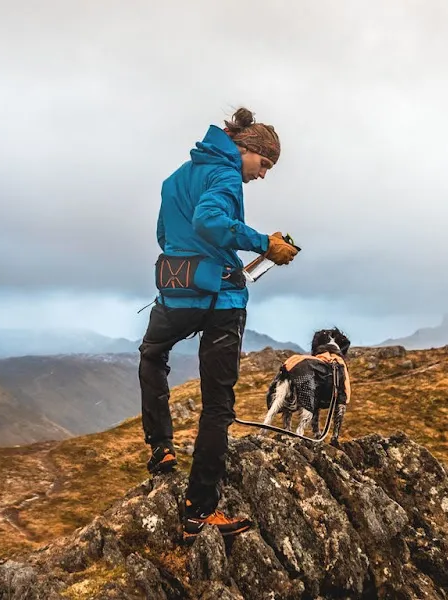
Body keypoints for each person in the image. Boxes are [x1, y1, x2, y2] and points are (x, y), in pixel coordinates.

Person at [138, 107, 298, 540]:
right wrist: (263, 242)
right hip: (222, 299)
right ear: (244, 149)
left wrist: (189, 257)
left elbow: (164, 236)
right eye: (263, 164)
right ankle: (199, 512)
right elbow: (209, 221)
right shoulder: (226, 175)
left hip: (175, 292)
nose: (262, 175)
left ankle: (161, 449)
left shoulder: (176, 178)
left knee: (151, 355)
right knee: (217, 406)